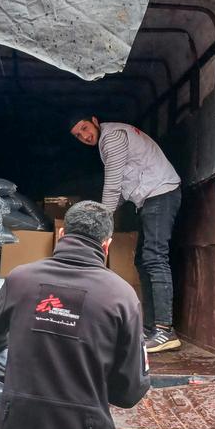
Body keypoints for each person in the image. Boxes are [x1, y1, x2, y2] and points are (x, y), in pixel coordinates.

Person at [0, 201, 150, 429]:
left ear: (61, 234)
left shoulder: (20, 279)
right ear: (107, 245)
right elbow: (129, 392)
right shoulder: (121, 296)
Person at [69, 113, 182, 353]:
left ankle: (165, 330)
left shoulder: (112, 138)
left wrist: (101, 226)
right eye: (78, 135)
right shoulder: (108, 139)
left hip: (160, 194)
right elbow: (120, 189)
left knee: (155, 257)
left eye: (85, 128)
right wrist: (99, 210)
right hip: (151, 197)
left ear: (94, 120)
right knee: (143, 260)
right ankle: (151, 328)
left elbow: (112, 185)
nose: (84, 136)